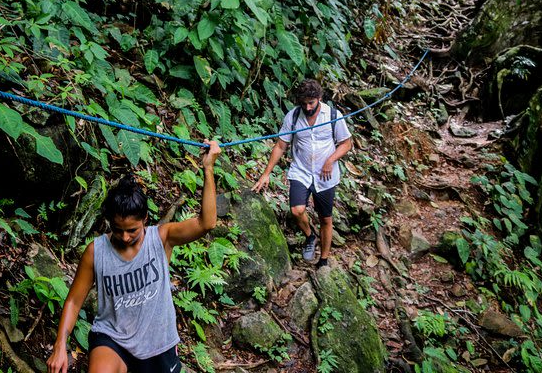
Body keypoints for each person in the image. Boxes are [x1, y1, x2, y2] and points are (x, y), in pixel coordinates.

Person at [47, 140, 222, 373]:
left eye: (132, 230)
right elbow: (74, 300)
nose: (125, 237)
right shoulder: (95, 252)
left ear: (145, 220)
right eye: (118, 230)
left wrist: (208, 168)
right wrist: (60, 344)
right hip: (113, 339)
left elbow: (206, 223)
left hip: (158, 343)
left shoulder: (162, 238)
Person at [252, 79, 352, 267]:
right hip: (301, 171)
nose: (307, 107)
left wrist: (330, 160)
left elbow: (347, 143)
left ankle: (323, 259)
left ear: (319, 98)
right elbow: (281, 145)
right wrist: (266, 173)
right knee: (297, 210)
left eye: (311, 103)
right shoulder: (293, 116)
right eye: (304, 103)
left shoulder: (332, 115)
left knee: (325, 218)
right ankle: (310, 236)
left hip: (326, 176)